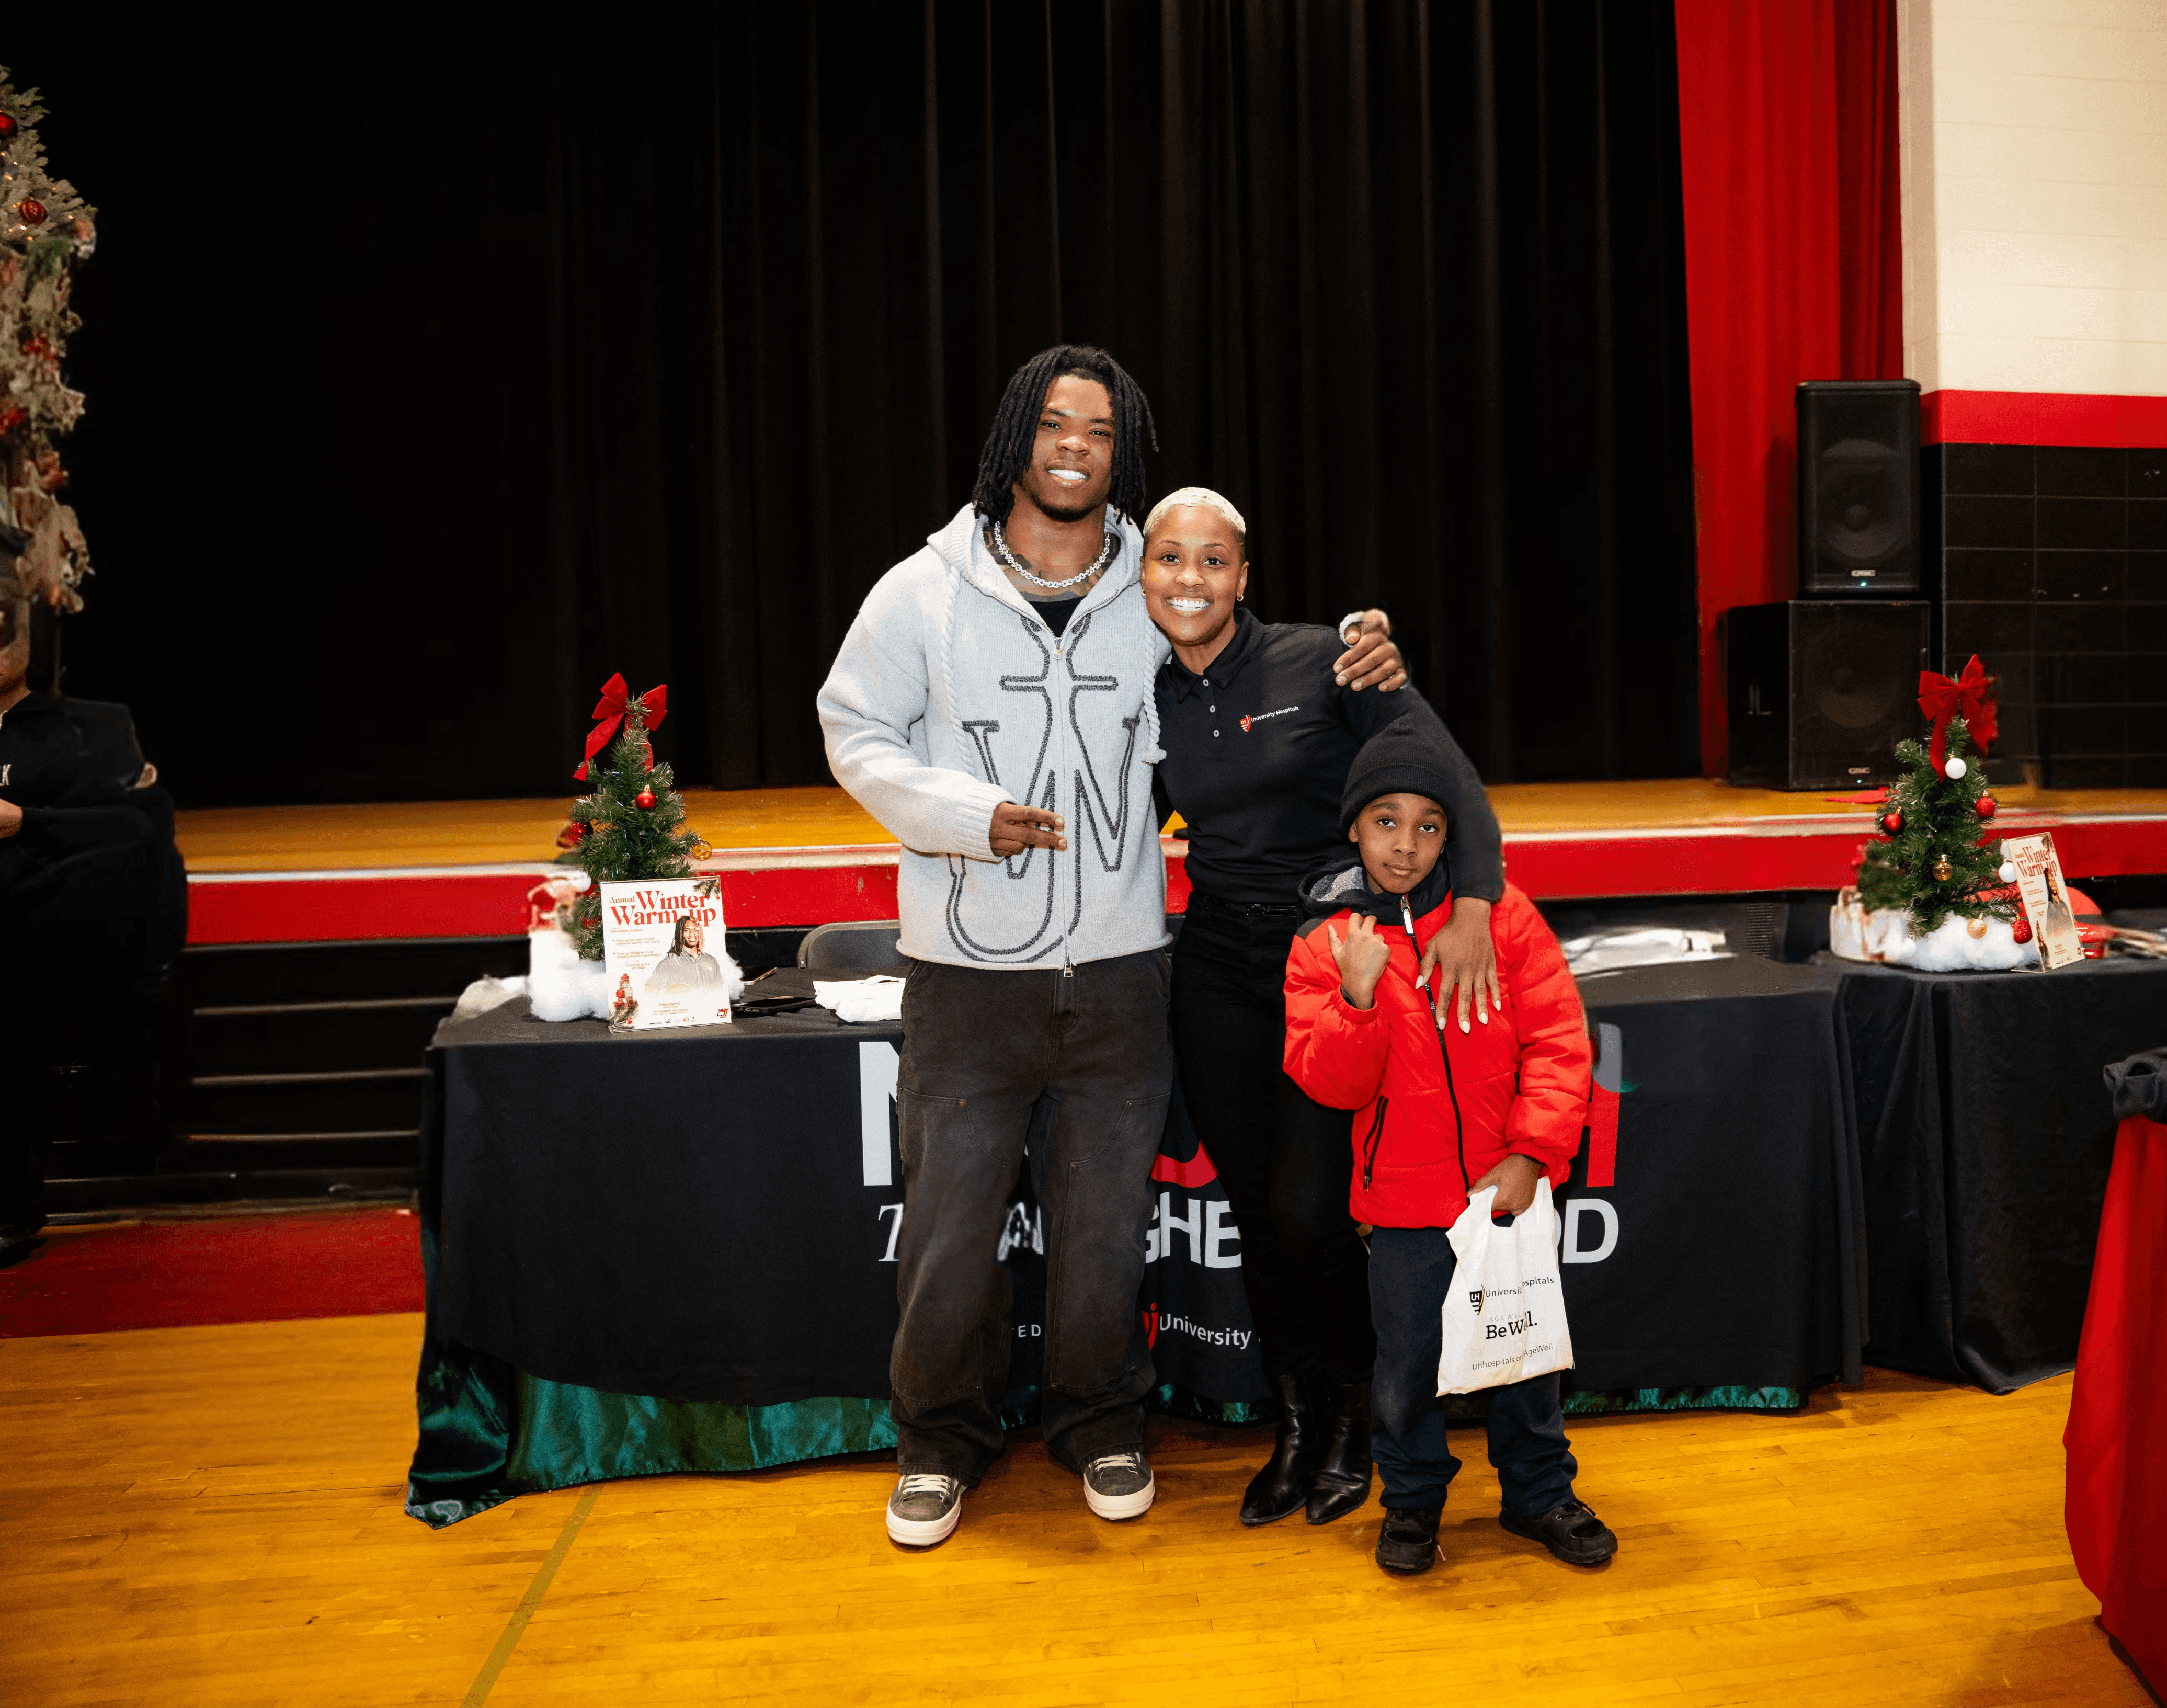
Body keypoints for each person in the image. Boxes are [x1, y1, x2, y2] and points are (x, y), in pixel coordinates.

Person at [1142, 488, 1503, 1529]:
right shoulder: (1140, 690)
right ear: (1143, 574)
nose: (1190, 579)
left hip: (1327, 960)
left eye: (1212, 560)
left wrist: (1472, 901)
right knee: (1258, 1217)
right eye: (1169, 559)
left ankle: (1353, 1417)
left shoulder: (1328, 659)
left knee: (1309, 1214)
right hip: (1215, 962)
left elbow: (1445, 774)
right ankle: (1294, 1424)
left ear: (1242, 577)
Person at [1281, 718, 1615, 1576]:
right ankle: (1412, 1502)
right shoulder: (1324, 943)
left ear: (1449, 834)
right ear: (1353, 827)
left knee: (1523, 1356)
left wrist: (1531, 1153)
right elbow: (1329, 1085)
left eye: (1427, 825)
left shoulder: (1501, 919)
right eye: (1385, 821)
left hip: (1504, 1191)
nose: (1406, 843)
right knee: (1407, 1366)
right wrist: (1356, 998)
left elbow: (1558, 1041)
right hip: (1402, 1205)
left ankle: (1538, 1492)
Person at [0, 567, 184, 1261]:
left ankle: (11, 1207)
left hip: (35, 929)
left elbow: (140, 824)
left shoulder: (82, 728)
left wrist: (28, 821)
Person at [646, 915, 725, 992]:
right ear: (680, 933)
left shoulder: (712, 961)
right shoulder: (670, 962)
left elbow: (720, 992)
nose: (692, 933)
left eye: (695, 930)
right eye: (687, 930)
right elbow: (651, 990)